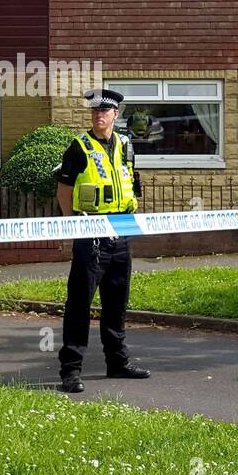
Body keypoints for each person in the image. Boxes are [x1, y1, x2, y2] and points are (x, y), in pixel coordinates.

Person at [55, 87, 150, 393]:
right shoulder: (78, 147)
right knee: (80, 303)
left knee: (116, 301)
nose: (99, 116)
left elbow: (132, 185)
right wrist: (74, 227)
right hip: (91, 233)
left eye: (104, 111)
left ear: (115, 115)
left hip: (121, 232)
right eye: (95, 112)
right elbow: (63, 191)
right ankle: (70, 371)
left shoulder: (126, 145)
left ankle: (117, 362)